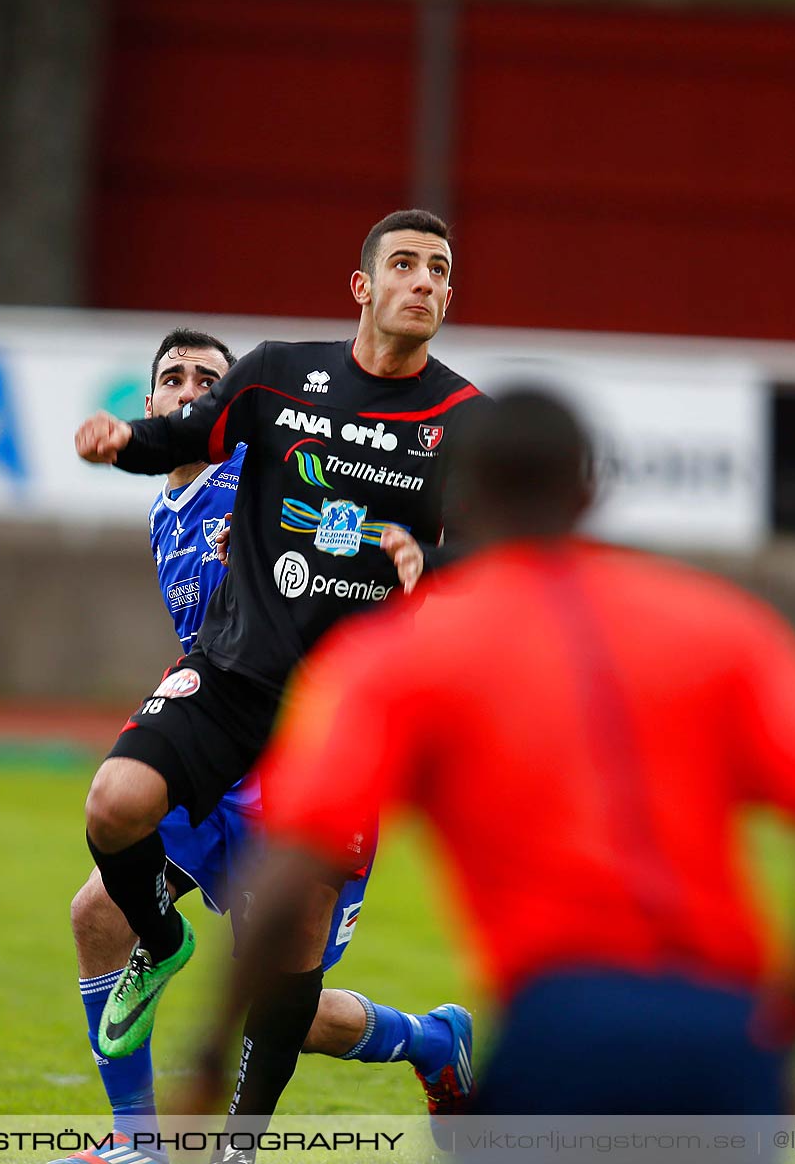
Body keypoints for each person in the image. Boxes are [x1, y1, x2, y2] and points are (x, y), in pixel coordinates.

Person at [200, 388, 795, 1117]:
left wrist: (210, 1052)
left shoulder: (403, 656)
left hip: (565, 1030)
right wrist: (788, 1032)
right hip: (730, 1037)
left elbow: (294, 861)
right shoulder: (720, 624)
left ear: (462, 496)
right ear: (590, 489)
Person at [71, 211, 488, 1141]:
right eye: (407, 265)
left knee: (282, 988)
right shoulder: (258, 396)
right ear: (363, 286)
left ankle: (403, 1058)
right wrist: (121, 441)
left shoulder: (459, 420)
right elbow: (177, 435)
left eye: (441, 271)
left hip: (342, 726)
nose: (424, 282)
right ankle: (138, 1136)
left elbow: (510, 554)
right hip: (230, 696)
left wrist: (434, 563)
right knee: (108, 845)